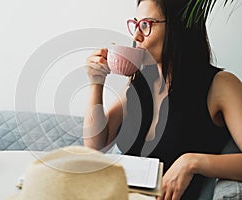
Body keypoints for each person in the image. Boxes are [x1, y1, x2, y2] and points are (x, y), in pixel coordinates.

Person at [83, 0, 242, 199]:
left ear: (179, 27)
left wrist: (193, 163)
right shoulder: (139, 82)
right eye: (136, 24)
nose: (136, 36)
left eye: (146, 25)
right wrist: (96, 83)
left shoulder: (220, 85)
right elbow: (96, 145)